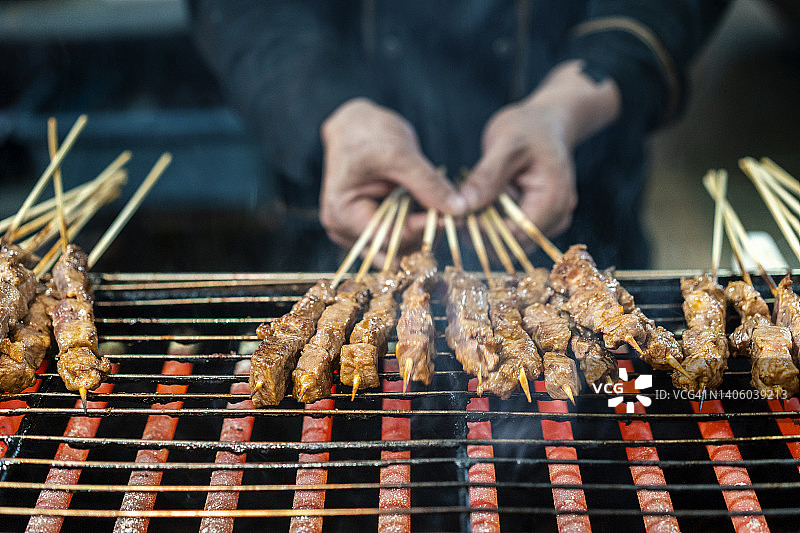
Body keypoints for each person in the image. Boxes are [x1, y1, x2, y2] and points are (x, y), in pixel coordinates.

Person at [190, 0, 728, 270]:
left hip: (577, 201)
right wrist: (330, 112)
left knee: (613, 417)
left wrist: (567, 107)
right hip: (355, 219)